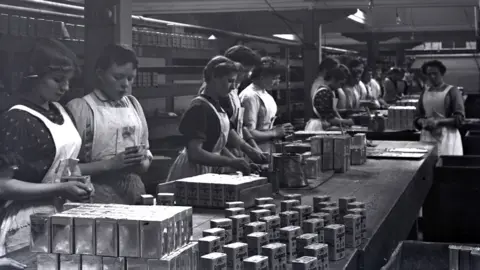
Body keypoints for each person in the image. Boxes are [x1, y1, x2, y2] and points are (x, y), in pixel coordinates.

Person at [0, 38, 93, 255]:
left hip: (61, 211)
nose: (66, 87)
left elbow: (70, 164)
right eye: (58, 80)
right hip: (25, 221)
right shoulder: (17, 119)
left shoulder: (61, 111)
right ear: (33, 77)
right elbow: (3, 185)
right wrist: (60, 188)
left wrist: (79, 182)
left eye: (68, 80)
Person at [67, 44, 152, 205]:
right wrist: (110, 165)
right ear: (100, 74)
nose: (125, 84)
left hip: (134, 192)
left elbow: (147, 157)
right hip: (95, 193)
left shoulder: (133, 105)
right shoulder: (81, 108)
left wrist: (141, 161)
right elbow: (67, 169)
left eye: (130, 78)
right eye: (118, 77)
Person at [166, 56, 251, 181]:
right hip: (192, 171)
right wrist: (230, 162)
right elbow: (195, 153)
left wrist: (238, 163)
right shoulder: (199, 108)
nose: (233, 87)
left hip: (208, 169)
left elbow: (217, 147)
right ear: (213, 77)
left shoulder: (216, 106)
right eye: (229, 81)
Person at [199, 45, 266, 163]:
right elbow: (220, 131)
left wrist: (253, 147)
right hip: (219, 156)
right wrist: (236, 159)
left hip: (233, 153)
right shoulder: (216, 92)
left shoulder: (234, 89)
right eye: (245, 71)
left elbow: (237, 124)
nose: (247, 75)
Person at [240, 57, 294, 153]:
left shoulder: (265, 93)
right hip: (254, 150)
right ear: (262, 76)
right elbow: (248, 132)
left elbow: (265, 125)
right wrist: (274, 132)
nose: (277, 82)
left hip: (267, 147)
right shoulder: (250, 96)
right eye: (274, 78)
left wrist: (280, 129)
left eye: (278, 78)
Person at [414, 60, 464, 156]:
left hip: (447, 136)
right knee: (427, 166)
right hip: (427, 136)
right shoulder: (425, 92)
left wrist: (438, 121)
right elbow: (417, 116)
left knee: (445, 165)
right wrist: (422, 122)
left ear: (442, 73)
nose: (432, 77)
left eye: (435, 73)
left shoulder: (453, 91)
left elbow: (460, 118)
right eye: (429, 74)